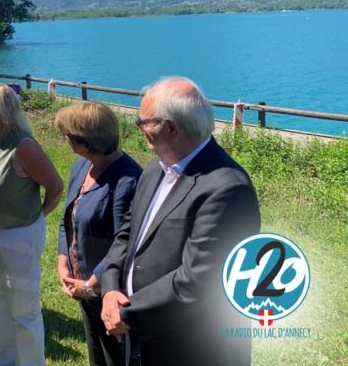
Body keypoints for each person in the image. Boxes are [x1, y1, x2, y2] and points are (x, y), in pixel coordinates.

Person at [100, 77, 261, 366]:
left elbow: (197, 280)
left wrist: (125, 313)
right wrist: (111, 287)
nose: (139, 129)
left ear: (172, 128)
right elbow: (128, 234)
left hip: (191, 347)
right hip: (143, 333)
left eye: (143, 122)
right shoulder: (155, 169)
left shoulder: (227, 188)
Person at [0, 83, 64, 366]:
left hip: (18, 237)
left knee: (24, 310)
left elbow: (55, 186)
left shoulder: (24, 146)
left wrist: (36, 218)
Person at [54, 103, 142, 366]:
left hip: (112, 292)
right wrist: (62, 261)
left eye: (68, 134)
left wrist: (92, 283)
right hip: (85, 290)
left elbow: (125, 242)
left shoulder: (128, 179)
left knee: (117, 359)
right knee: (96, 355)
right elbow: (67, 218)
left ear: (87, 140)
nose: (65, 139)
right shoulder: (82, 167)